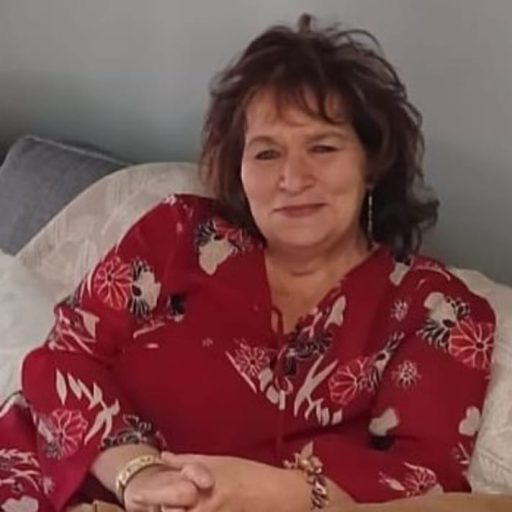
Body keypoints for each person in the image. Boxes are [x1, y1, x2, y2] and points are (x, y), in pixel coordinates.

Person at [0, 14, 496, 512]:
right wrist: (139, 473)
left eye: (323, 147)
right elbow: (62, 356)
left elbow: (426, 479)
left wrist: (283, 491)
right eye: (266, 153)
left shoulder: (437, 311)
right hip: (42, 482)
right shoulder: (179, 233)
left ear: (371, 164)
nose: (292, 178)